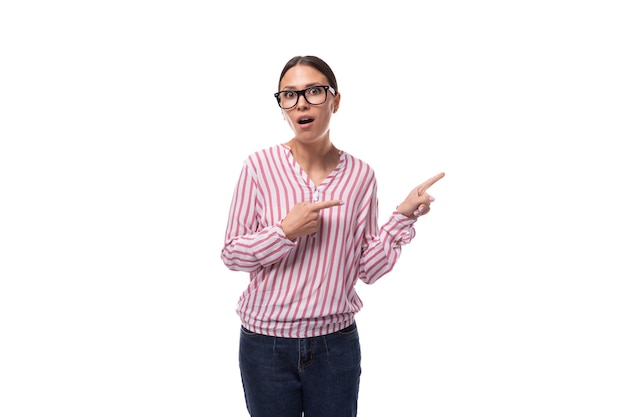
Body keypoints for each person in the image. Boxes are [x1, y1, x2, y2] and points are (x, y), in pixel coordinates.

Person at [220, 55, 444, 417]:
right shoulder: (259, 167)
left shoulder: (361, 175)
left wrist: (401, 219)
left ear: (335, 100)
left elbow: (367, 270)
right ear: (282, 107)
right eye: (289, 96)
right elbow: (232, 254)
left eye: (314, 91)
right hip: (266, 347)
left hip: (335, 346)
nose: (301, 103)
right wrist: (284, 232)